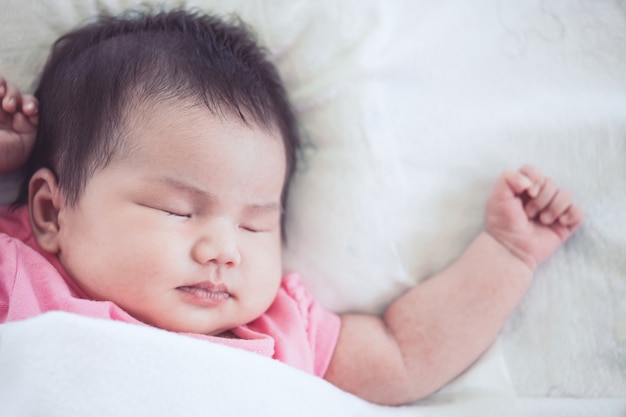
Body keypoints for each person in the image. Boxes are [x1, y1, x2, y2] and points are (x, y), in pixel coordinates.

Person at [0, 8, 584, 406]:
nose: (224, 250)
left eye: (255, 223)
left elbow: (403, 353)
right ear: (52, 213)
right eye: (178, 210)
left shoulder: (279, 328)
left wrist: (508, 254)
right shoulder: (21, 275)